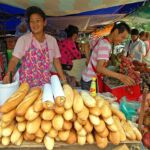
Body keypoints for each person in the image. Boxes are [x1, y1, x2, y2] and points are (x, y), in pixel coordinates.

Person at [3, 6, 66, 87]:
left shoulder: (52, 40)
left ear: (44, 22)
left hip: (45, 84)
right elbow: (14, 60)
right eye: (31, 21)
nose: (35, 24)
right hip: (25, 85)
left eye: (38, 21)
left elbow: (56, 61)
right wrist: (9, 74)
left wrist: (63, 80)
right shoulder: (23, 40)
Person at [81, 21, 135, 91]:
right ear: (115, 31)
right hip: (90, 81)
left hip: (86, 77)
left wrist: (88, 59)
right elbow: (99, 68)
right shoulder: (105, 45)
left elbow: (86, 44)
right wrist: (121, 77)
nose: (122, 41)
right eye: (122, 37)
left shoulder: (101, 39)